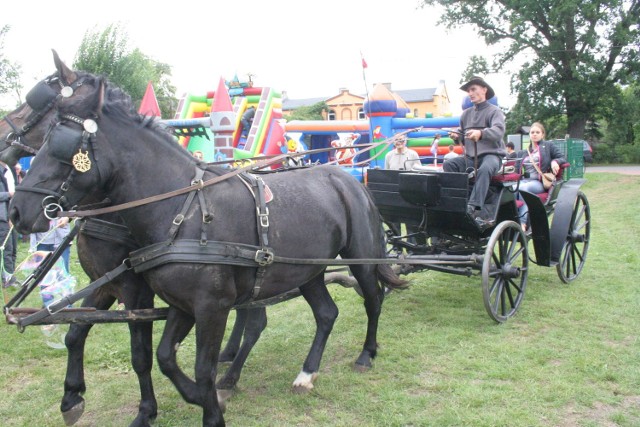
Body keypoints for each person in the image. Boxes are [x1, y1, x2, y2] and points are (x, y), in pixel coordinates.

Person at [444, 76, 506, 226]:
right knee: (449, 165)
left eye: (473, 89)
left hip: (492, 156)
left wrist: (481, 133)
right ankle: (456, 201)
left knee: (484, 169)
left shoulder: (495, 111)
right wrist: (455, 135)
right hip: (470, 158)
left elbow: (498, 131)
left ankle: (473, 206)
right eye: (468, 91)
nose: (470, 93)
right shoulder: (466, 114)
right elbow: (462, 134)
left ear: (484, 90)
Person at [515, 122, 566, 233]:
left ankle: (522, 222)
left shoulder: (548, 146)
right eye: (532, 132)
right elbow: (516, 169)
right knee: (512, 188)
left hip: (539, 182)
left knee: (524, 189)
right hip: (524, 180)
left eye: (537, 132)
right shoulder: (522, 153)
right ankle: (511, 218)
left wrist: (555, 161)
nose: (534, 134)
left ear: (542, 134)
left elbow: (563, 157)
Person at [0, 160, 15, 287]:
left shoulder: (5, 172)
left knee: (9, 249)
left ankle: (9, 277)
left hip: (5, 217)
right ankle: (8, 280)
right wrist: (9, 194)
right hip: (1, 219)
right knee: (6, 249)